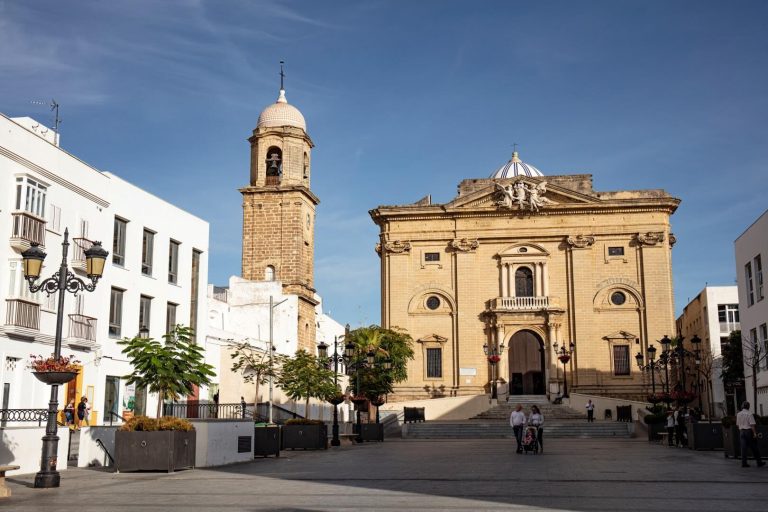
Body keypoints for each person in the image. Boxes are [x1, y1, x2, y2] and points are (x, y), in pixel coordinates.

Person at [737, 401, 765, 468]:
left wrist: (741, 430)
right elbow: (752, 425)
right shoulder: (749, 414)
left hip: (741, 432)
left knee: (743, 449)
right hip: (748, 432)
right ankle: (759, 462)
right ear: (748, 406)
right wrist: (755, 433)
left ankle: (744, 463)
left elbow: (738, 425)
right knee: (754, 447)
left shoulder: (738, 414)